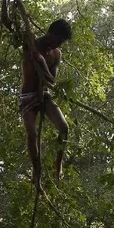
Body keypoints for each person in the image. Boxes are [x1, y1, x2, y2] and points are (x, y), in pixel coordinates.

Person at [19, 19, 73, 191]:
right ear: (51, 34)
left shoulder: (56, 54)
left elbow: (51, 80)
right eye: (58, 40)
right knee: (32, 134)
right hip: (28, 96)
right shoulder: (32, 44)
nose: (59, 44)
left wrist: (43, 64)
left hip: (44, 96)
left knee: (64, 128)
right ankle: (36, 172)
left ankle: (59, 164)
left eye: (61, 42)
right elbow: (15, 28)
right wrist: (38, 59)